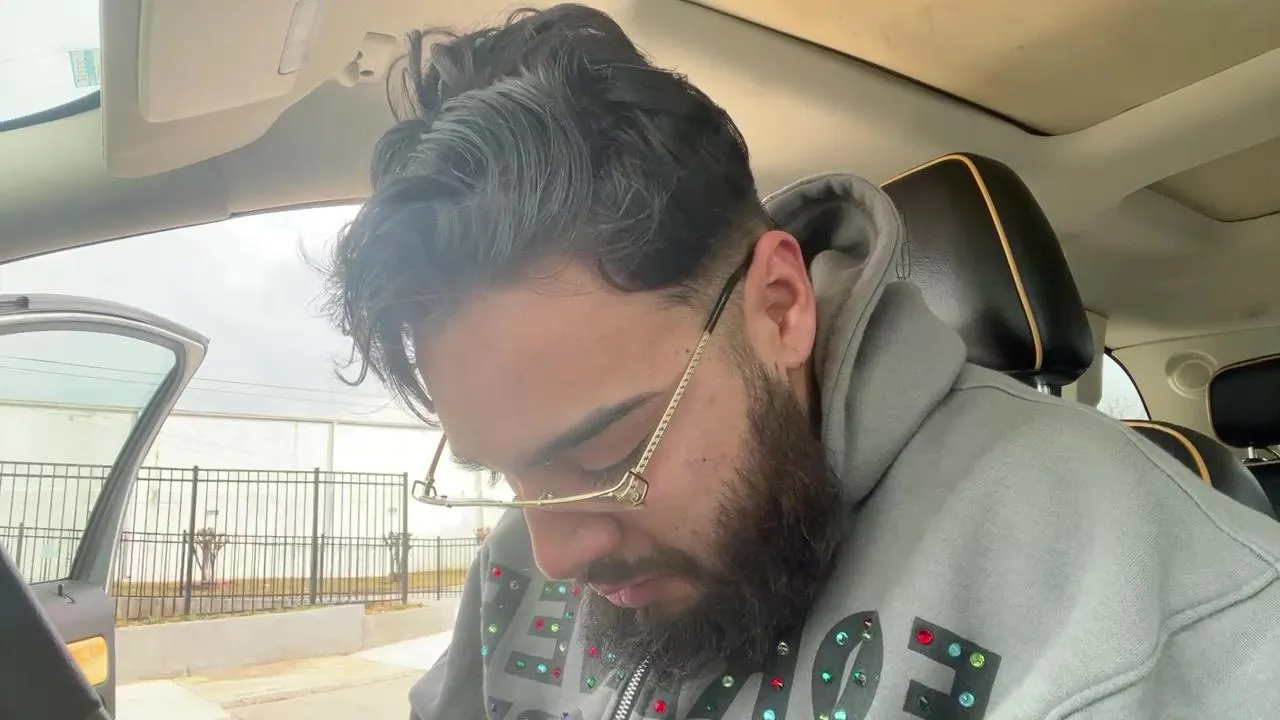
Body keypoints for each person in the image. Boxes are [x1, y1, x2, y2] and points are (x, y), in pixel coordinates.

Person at [322, 4, 1280, 719]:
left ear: (779, 307)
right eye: (508, 476)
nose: (552, 554)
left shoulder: (1145, 592)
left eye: (606, 453)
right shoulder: (525, 561)